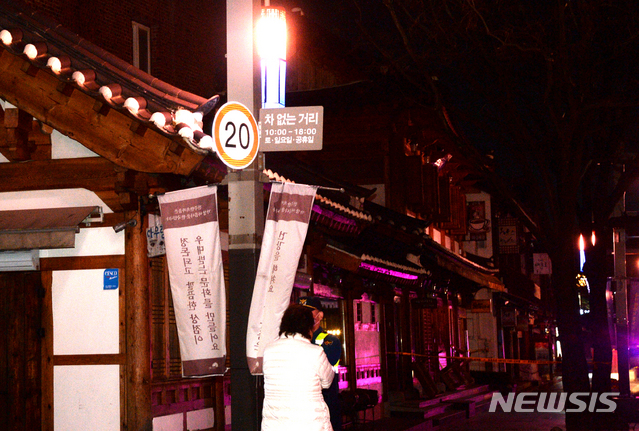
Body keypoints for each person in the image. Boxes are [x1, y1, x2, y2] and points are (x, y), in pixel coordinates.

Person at [261, 304, 335, 431]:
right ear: (307, 327)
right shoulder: (315, 352)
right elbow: (327, 382)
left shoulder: (268, 350)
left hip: (275, 425)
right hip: (310, 424)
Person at [298, 296, 343, 431]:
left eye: (307, 313)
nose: (303, 317)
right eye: (300, 313)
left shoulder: (330, 341)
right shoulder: (294, 340)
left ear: (320, 316)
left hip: (327, 403)